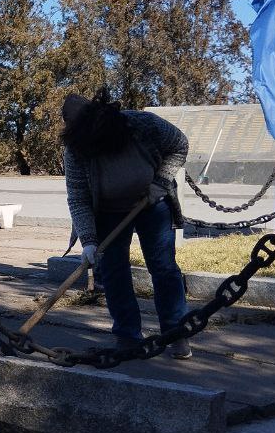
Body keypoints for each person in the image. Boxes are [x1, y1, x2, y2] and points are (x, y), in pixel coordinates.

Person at [61, 90, 192, 358]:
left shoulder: (142, 124)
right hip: (108, 213)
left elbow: (179, 145)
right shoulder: (76, 149)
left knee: (163, 267)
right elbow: (78, 197)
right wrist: (89, 241)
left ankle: (175, 333)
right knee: (113, 271)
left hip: (152, 203)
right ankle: (127, 335)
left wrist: (160, 182)